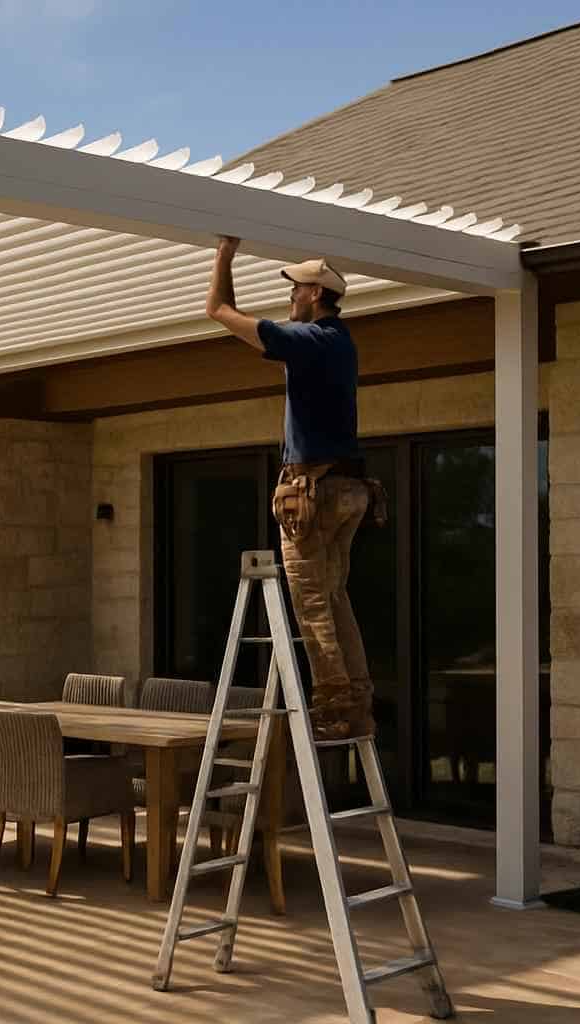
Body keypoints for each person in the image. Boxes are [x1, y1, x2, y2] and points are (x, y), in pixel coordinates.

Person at [202, 236, 377, 740]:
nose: (290, 298)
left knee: (311, 601)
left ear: (316, 294)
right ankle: (359, 701)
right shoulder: (340, 345)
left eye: (296, 289)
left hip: (314, 490)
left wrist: (224, 255)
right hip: (348, 488)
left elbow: (218, 310)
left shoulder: (310, 341)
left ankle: (336, 708)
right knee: (336, 594)